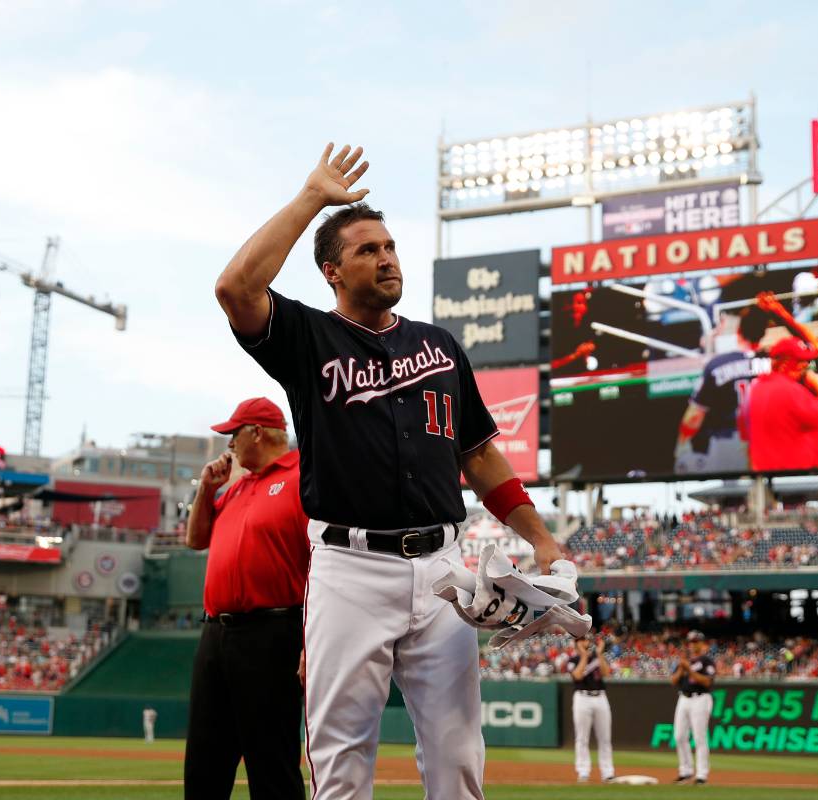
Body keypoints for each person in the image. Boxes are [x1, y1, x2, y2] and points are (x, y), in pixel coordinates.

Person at [214, 142, 563, 800]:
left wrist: (539, 536)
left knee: (459, 756)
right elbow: (235, 288)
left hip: (443, 569)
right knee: (341, 762)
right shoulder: (307, 338)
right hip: (350, 568)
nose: (386, 257)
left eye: (390, 246)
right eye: (367, 250)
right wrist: (313, 198)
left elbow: (481, 456)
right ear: (332, 272)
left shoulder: (438, 345)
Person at [182, 397, 311, 800]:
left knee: (271, 762)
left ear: (257, 433)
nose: (229, 445)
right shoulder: (235, 487)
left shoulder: (303, 476)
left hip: (273, 631)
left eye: (233, 434)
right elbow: (195, 539)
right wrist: (207, 489)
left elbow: (324, 564)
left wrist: (311, 641)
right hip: (216, 633)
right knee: (204, 762)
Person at [674, 307, 770, 475]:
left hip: (729, 442)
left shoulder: (717, 364)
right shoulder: (773, 362)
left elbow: (694, 416)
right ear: (763, 333)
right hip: (766, 439)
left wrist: (681, 446)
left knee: (731, 498)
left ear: (738, 331)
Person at [741, 337, 818, 472]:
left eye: (807, 362)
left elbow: (746, 436)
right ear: (784, 363)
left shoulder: (755, 388)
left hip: (769, 479)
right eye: (800, 361)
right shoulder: (791, 391)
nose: (805, 366)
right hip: (796, 480)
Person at [670, 630, 715, 785]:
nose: (693, 644)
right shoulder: (685, 661)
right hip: (684, 698)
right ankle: (686, 771)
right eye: (691, 641)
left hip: (700, 699)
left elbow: (707, 682)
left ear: (702, 643)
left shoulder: (706, 661)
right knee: (679, 736)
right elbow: (674, 680)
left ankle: (702, 774)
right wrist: (682, 668)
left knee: (699, 737)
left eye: (696, 641)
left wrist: (688, 669)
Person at [568, 636, 614, 784]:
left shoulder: (597, 657)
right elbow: (577, 675)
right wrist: (583, 656)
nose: (585, 642)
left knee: (605, 738)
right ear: (576, 643)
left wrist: (600, 654)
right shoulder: (573, 660)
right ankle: (583, 772)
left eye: (586, 640)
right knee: (582, 738)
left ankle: (607, 773)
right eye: (581, 640)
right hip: (582, 698)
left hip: (600, 697)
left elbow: (607, 673)